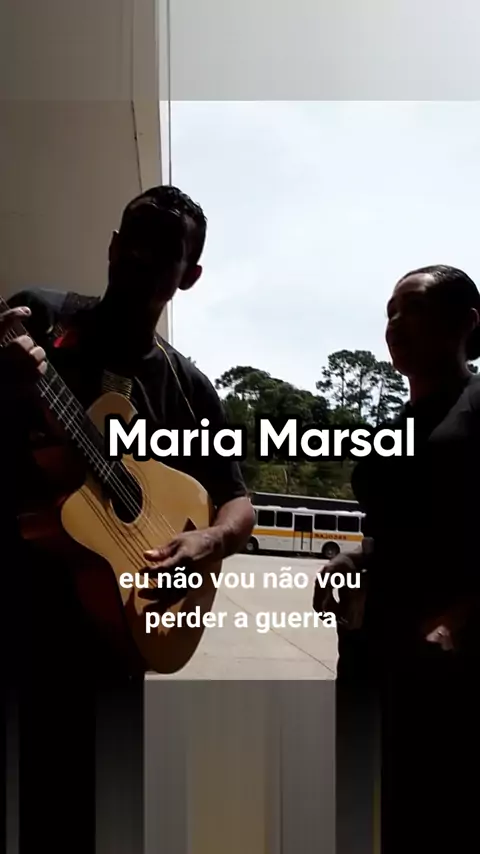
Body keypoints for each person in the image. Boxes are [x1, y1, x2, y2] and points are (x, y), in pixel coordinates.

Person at [1, 185, 255, 852]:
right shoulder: (42, 320)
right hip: (20, 614)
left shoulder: (186, 386)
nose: (140, 256)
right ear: (113, 245)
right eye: (132, 240)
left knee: (94, 816)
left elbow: (238, 501)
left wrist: (210, 539)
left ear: (189, 275)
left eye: (164, 252)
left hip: (116, 638)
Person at [314, 264, 480, 853]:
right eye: (390, 311)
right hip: (372, 653)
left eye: (413, 309)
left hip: (449, 670)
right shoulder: (395, 428)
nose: (395, 323)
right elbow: (400, 532)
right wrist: (354, 560)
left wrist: (463, 617)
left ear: (466, 324)